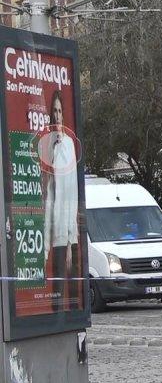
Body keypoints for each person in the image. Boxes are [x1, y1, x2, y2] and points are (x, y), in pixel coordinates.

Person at [41, 91, 79, 311]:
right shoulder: (50, 146)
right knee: (56, 298)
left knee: (72, 296)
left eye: (59, 111)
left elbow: (70, 195)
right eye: (53, 111)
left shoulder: (69, 147)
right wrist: (47, 243)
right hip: (55, 235)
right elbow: (50, 197)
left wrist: (69, 242)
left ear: (63, 115)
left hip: (68, 236)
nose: (57, 116)